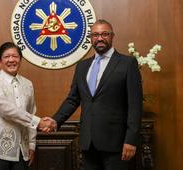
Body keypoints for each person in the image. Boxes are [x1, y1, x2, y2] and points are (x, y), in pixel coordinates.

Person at [50, 19, 143, 170]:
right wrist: (55, 121)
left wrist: (131, 140)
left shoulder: (128, 64)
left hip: (117, 144)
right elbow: (73, 99)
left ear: (112, 36)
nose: (100, 38)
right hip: (88, 143)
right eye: (95, 35)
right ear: (91, 38)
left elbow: (135, 105)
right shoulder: (82, 66)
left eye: (104, 34)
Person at [0, 42, 55, 170]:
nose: (11, 60)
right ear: (0, 61)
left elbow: (31, 111)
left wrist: (31, 145)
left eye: (15, 56)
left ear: (20, 60)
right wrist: (39, 122)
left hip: (22, 151)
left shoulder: (28, 84)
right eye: (6, 57)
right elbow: (6, 109)